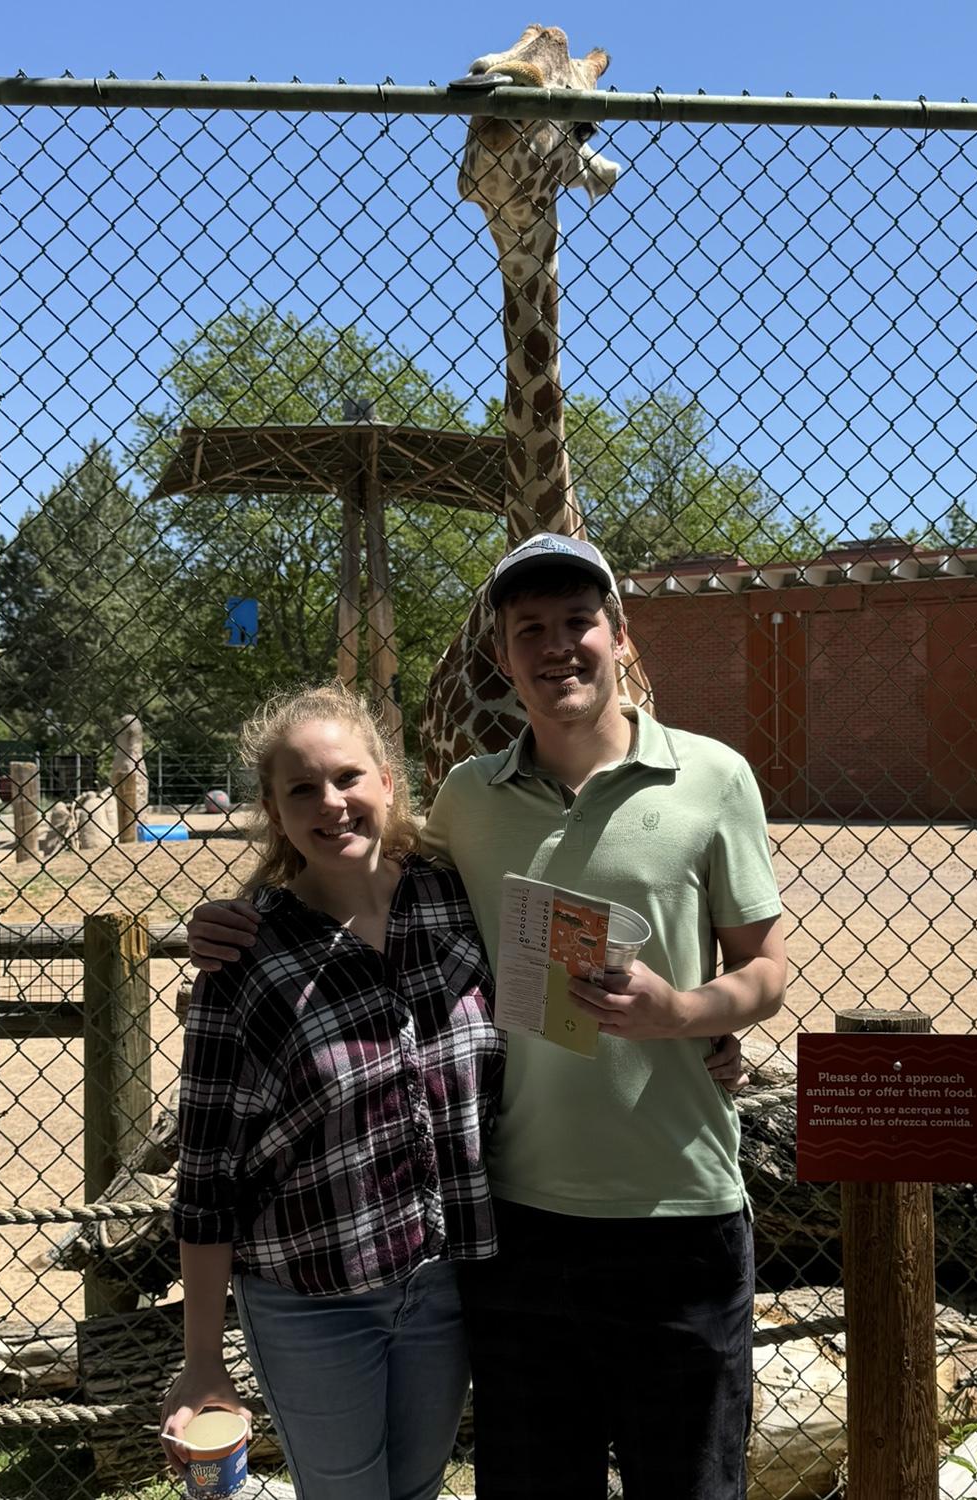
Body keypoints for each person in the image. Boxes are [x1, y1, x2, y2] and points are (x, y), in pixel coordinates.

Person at [189, 533, 787, 1499]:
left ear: (620, 637)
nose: (558, 648)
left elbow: (764, 972)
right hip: (515, 1224)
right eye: (530, 631)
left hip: (680, 1209)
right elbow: (349, 869)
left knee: (690, 1484)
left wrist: (689, 1014)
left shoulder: (714, 778)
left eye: (578, 624)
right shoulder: (471, 798)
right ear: (503, 658)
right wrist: (232, 917)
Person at [160, 683, 505, 1500]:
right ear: (274, 812)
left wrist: (699, 1037)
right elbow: (207, 1179)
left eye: (348, 777)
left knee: (418, 1487)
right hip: (313, 1298)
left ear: (389, 782)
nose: (331, 803)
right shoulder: (244, 959)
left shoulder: (455, 900)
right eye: (302, 788)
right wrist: (203, 1361)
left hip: (446, 1279)